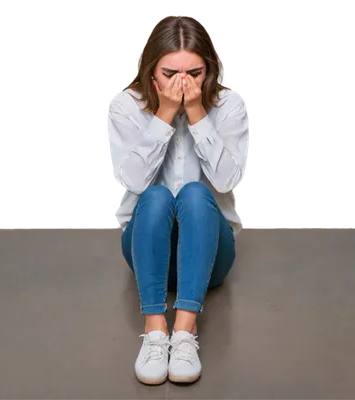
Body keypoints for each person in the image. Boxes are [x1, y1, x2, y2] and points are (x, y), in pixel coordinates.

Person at [105, 14, 250, 385]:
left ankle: (184, 331)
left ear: (210, 71)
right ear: (152, 70)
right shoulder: (126, 106)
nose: (182, 83)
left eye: (194, 73)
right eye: (170, 74)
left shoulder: (230, 105)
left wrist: (198, 113)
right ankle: (155, 332)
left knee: (196, 193)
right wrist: (166, 114)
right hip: (146, 250)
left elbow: (227, 180)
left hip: (210, 254)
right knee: (154, 196)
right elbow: (133, 182)